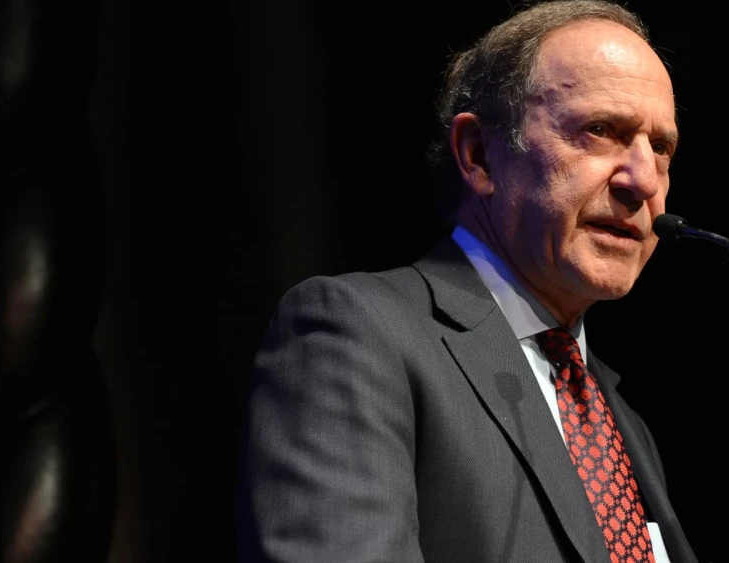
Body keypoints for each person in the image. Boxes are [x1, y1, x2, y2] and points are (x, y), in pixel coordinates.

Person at [236, 1, 697, 561]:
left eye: (662, 148)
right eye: (599, 131)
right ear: (479, 155)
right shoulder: (356, 336)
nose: (643, 181)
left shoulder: (617, 416)